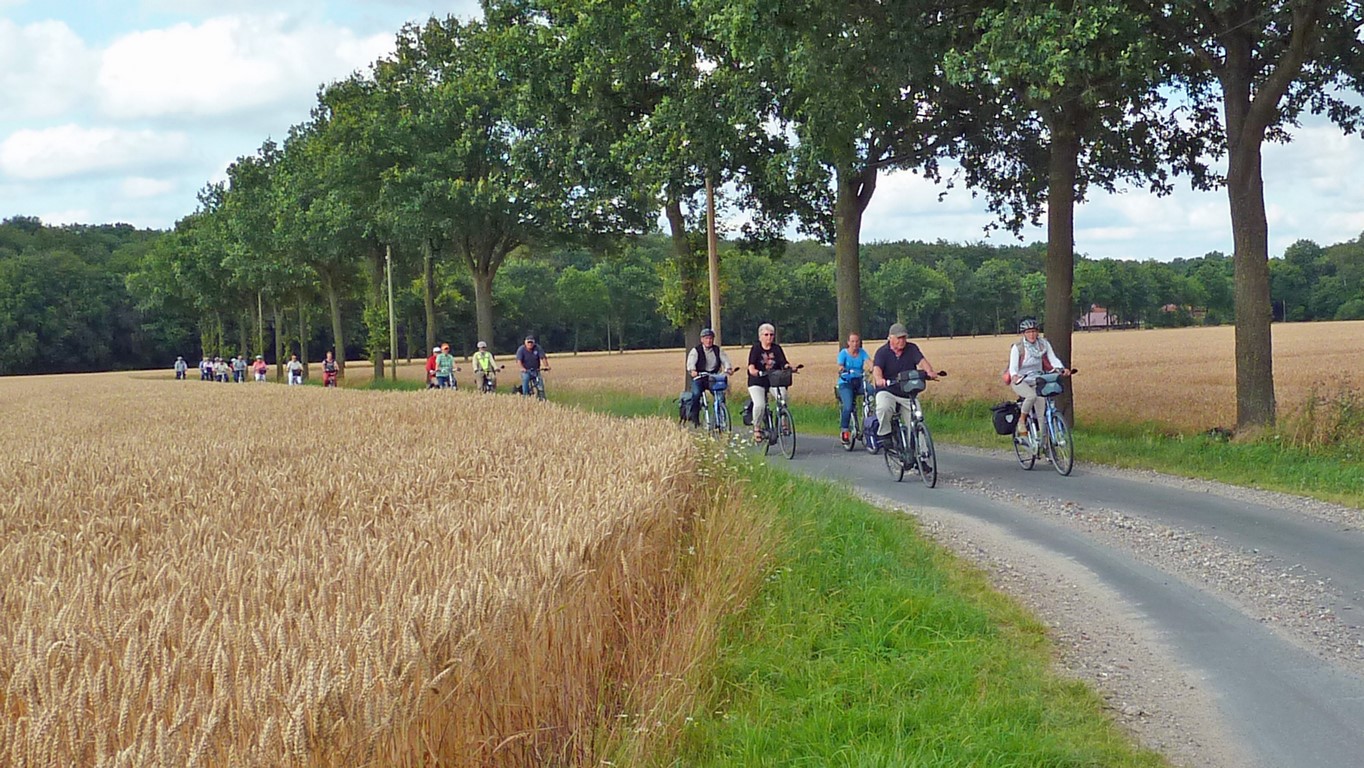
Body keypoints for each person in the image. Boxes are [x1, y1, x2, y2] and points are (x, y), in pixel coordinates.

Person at [872, 323, 940, 444]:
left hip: (908, 393)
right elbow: (877, 369)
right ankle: (885, 434)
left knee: (917, 419)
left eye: (904, 337)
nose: (902, 340)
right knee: (884, 407)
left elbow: (922, 361)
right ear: (890, 338)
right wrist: (879, 379)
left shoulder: (912, 348)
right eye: (899, 338)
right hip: (888, 391)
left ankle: (922, 455)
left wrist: (929, 371)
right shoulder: (882, 352)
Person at [1007, 317, 1069, 439]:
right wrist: (1015, 375)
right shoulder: (1018, 347)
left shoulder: (1043, 344)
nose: (1032, 334)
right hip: (1020, 381)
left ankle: (1046, 446)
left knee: (1042, 413)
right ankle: (1022, 420)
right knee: (1031, 396)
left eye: (1034, 331)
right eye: (1029, 332)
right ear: (1024, 334)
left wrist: (1061, 369)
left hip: (1037, 380)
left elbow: (1053, 358)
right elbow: (1013, 368)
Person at [746, 323, 793, 441]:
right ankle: (756, 427)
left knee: (783, 397)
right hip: (757, 380)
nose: (769, 337)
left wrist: (789, 367)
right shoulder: (756, 349)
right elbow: (751, 366)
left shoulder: (776, 348)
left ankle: (783, 422)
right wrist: (754, 371)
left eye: (771, 335)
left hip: (773, 380)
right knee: (760, 405)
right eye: (766, 335)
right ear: (760, 336)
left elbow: (783, 362)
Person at [686, 328, 734, 425]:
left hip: (713, 377)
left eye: (711, 338)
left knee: (720, 396)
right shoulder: (696, 351)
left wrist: (728, 368)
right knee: (696, 394)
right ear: (702, 340)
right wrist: (693, 370)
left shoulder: (717, 350)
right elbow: (691, 363)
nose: (709, 340)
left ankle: (720, 417)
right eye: (706, 338)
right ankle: (694, 416)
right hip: (700, 377)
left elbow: (725, 360)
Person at [836, 333, 871, 443]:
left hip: (859, 381)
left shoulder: (862, 352)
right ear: (848, 342)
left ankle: (871, 418)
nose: (855, 344)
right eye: (852, 341)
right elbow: (840, 366)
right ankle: (845, 430)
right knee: (848, 406)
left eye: (857, 341)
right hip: (846, 382)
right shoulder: (844, 353)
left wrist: (873, 368)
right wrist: (843, 370)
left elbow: (870, 362)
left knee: (872, 391)